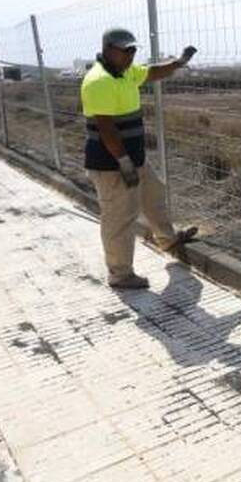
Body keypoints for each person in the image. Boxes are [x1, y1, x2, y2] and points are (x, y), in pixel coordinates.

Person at [81, 27, 199, 289]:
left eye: (134, 49)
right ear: (109, 49)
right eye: (126, 50)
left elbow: (151, 72)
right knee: (120, 217)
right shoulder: (99, 81)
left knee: (154, 194)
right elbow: (106, 128)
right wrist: (123, 163)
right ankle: (120, 274)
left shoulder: (125, 72)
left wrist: (178, 63)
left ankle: (168, 239)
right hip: (112, 164)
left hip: (133, 159)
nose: (131, 55)